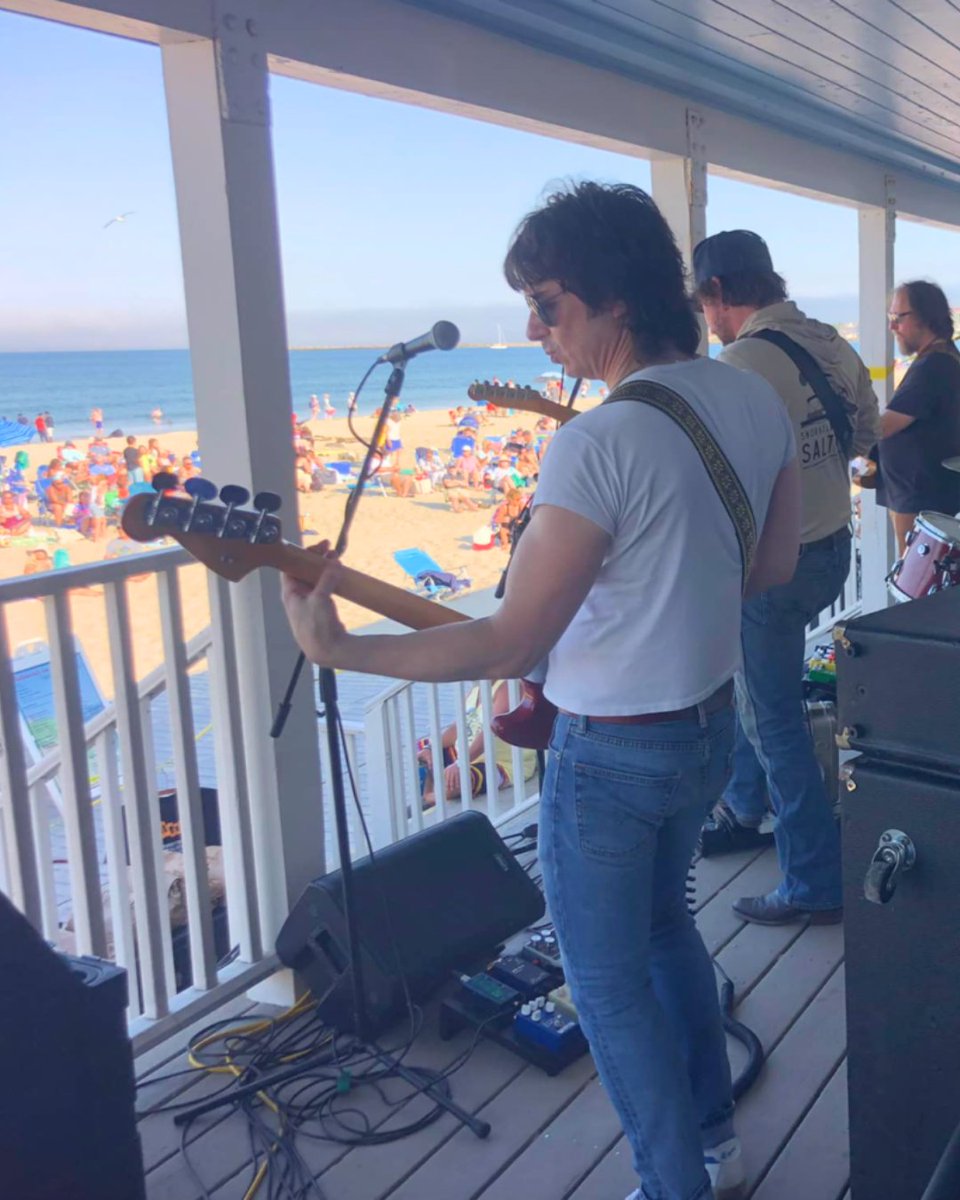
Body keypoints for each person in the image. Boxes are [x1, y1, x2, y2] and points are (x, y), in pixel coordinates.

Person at [280, 181, 800, 1200]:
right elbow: (770, 567)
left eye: (548, 303)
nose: (533, 329)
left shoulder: (599, 442)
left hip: (611, 756)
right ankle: (713, 1144)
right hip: (706, 731)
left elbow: (507, 641)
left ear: (614, 300)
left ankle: (673, 1183)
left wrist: (342, 652)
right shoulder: (752, 396)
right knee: (667, 932)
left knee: (607, 989)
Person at [693, 229, 879, 926]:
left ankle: (812, 879)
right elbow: (863, 437)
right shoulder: (829, 340)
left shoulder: (737, 363)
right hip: (832, 550)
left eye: (704, 305)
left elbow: (712, 477)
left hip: (774, 568)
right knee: (757, 687)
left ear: (717, 294)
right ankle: (745, 806)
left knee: (773, 721)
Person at [876, 280, 960, 555]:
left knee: (915, 584)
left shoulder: (933, 366)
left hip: (921, 501)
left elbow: (883, 426)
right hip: (923, 495)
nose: (892, 327)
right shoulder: (943, 357)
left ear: (925, 316)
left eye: (898, 317)